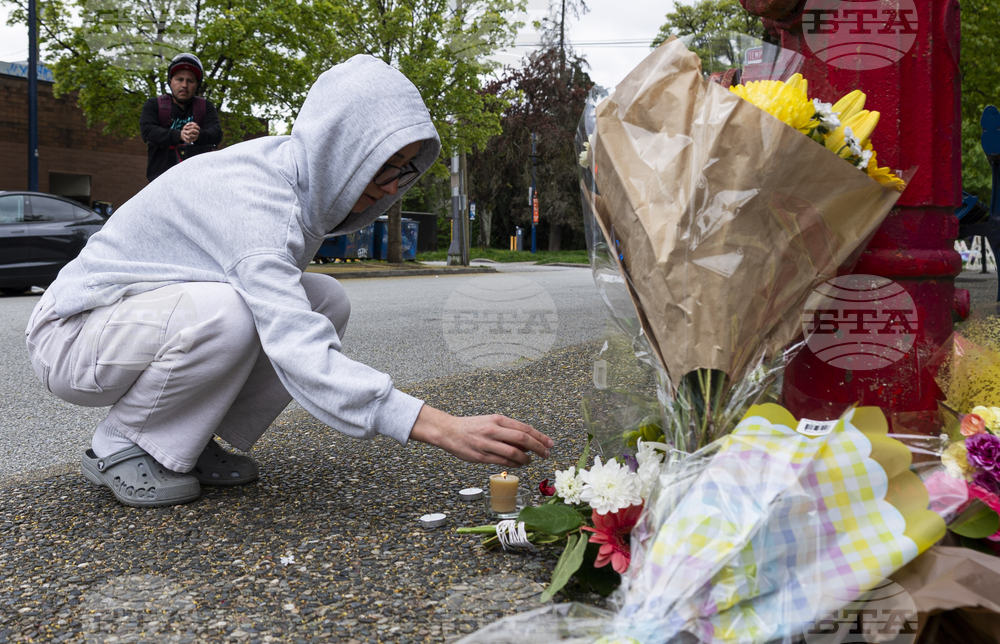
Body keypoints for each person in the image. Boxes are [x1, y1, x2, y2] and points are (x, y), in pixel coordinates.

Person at [25, 55, 553, 508]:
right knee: (231, 313)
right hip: (72, 337)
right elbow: (295, 345)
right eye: (381, 166)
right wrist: (441, 426)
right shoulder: (258, 202)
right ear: (340, 150)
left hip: (129, 325)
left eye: (403, 170)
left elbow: (296, 319)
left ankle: (181, 438)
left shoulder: (293, 181)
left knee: (324, 299)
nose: (390, 188)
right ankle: (120, 444)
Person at [140, 53, 223, 182]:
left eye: (190, 81)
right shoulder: (153, 104)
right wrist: (179, 135)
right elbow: (147, 131)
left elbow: (217, 134)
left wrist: (198, 135)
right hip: (161, 180)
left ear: (197, 85)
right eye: (179, 79)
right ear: (170, 82)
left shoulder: (206, 107)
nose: (184, 85)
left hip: (198, 180)